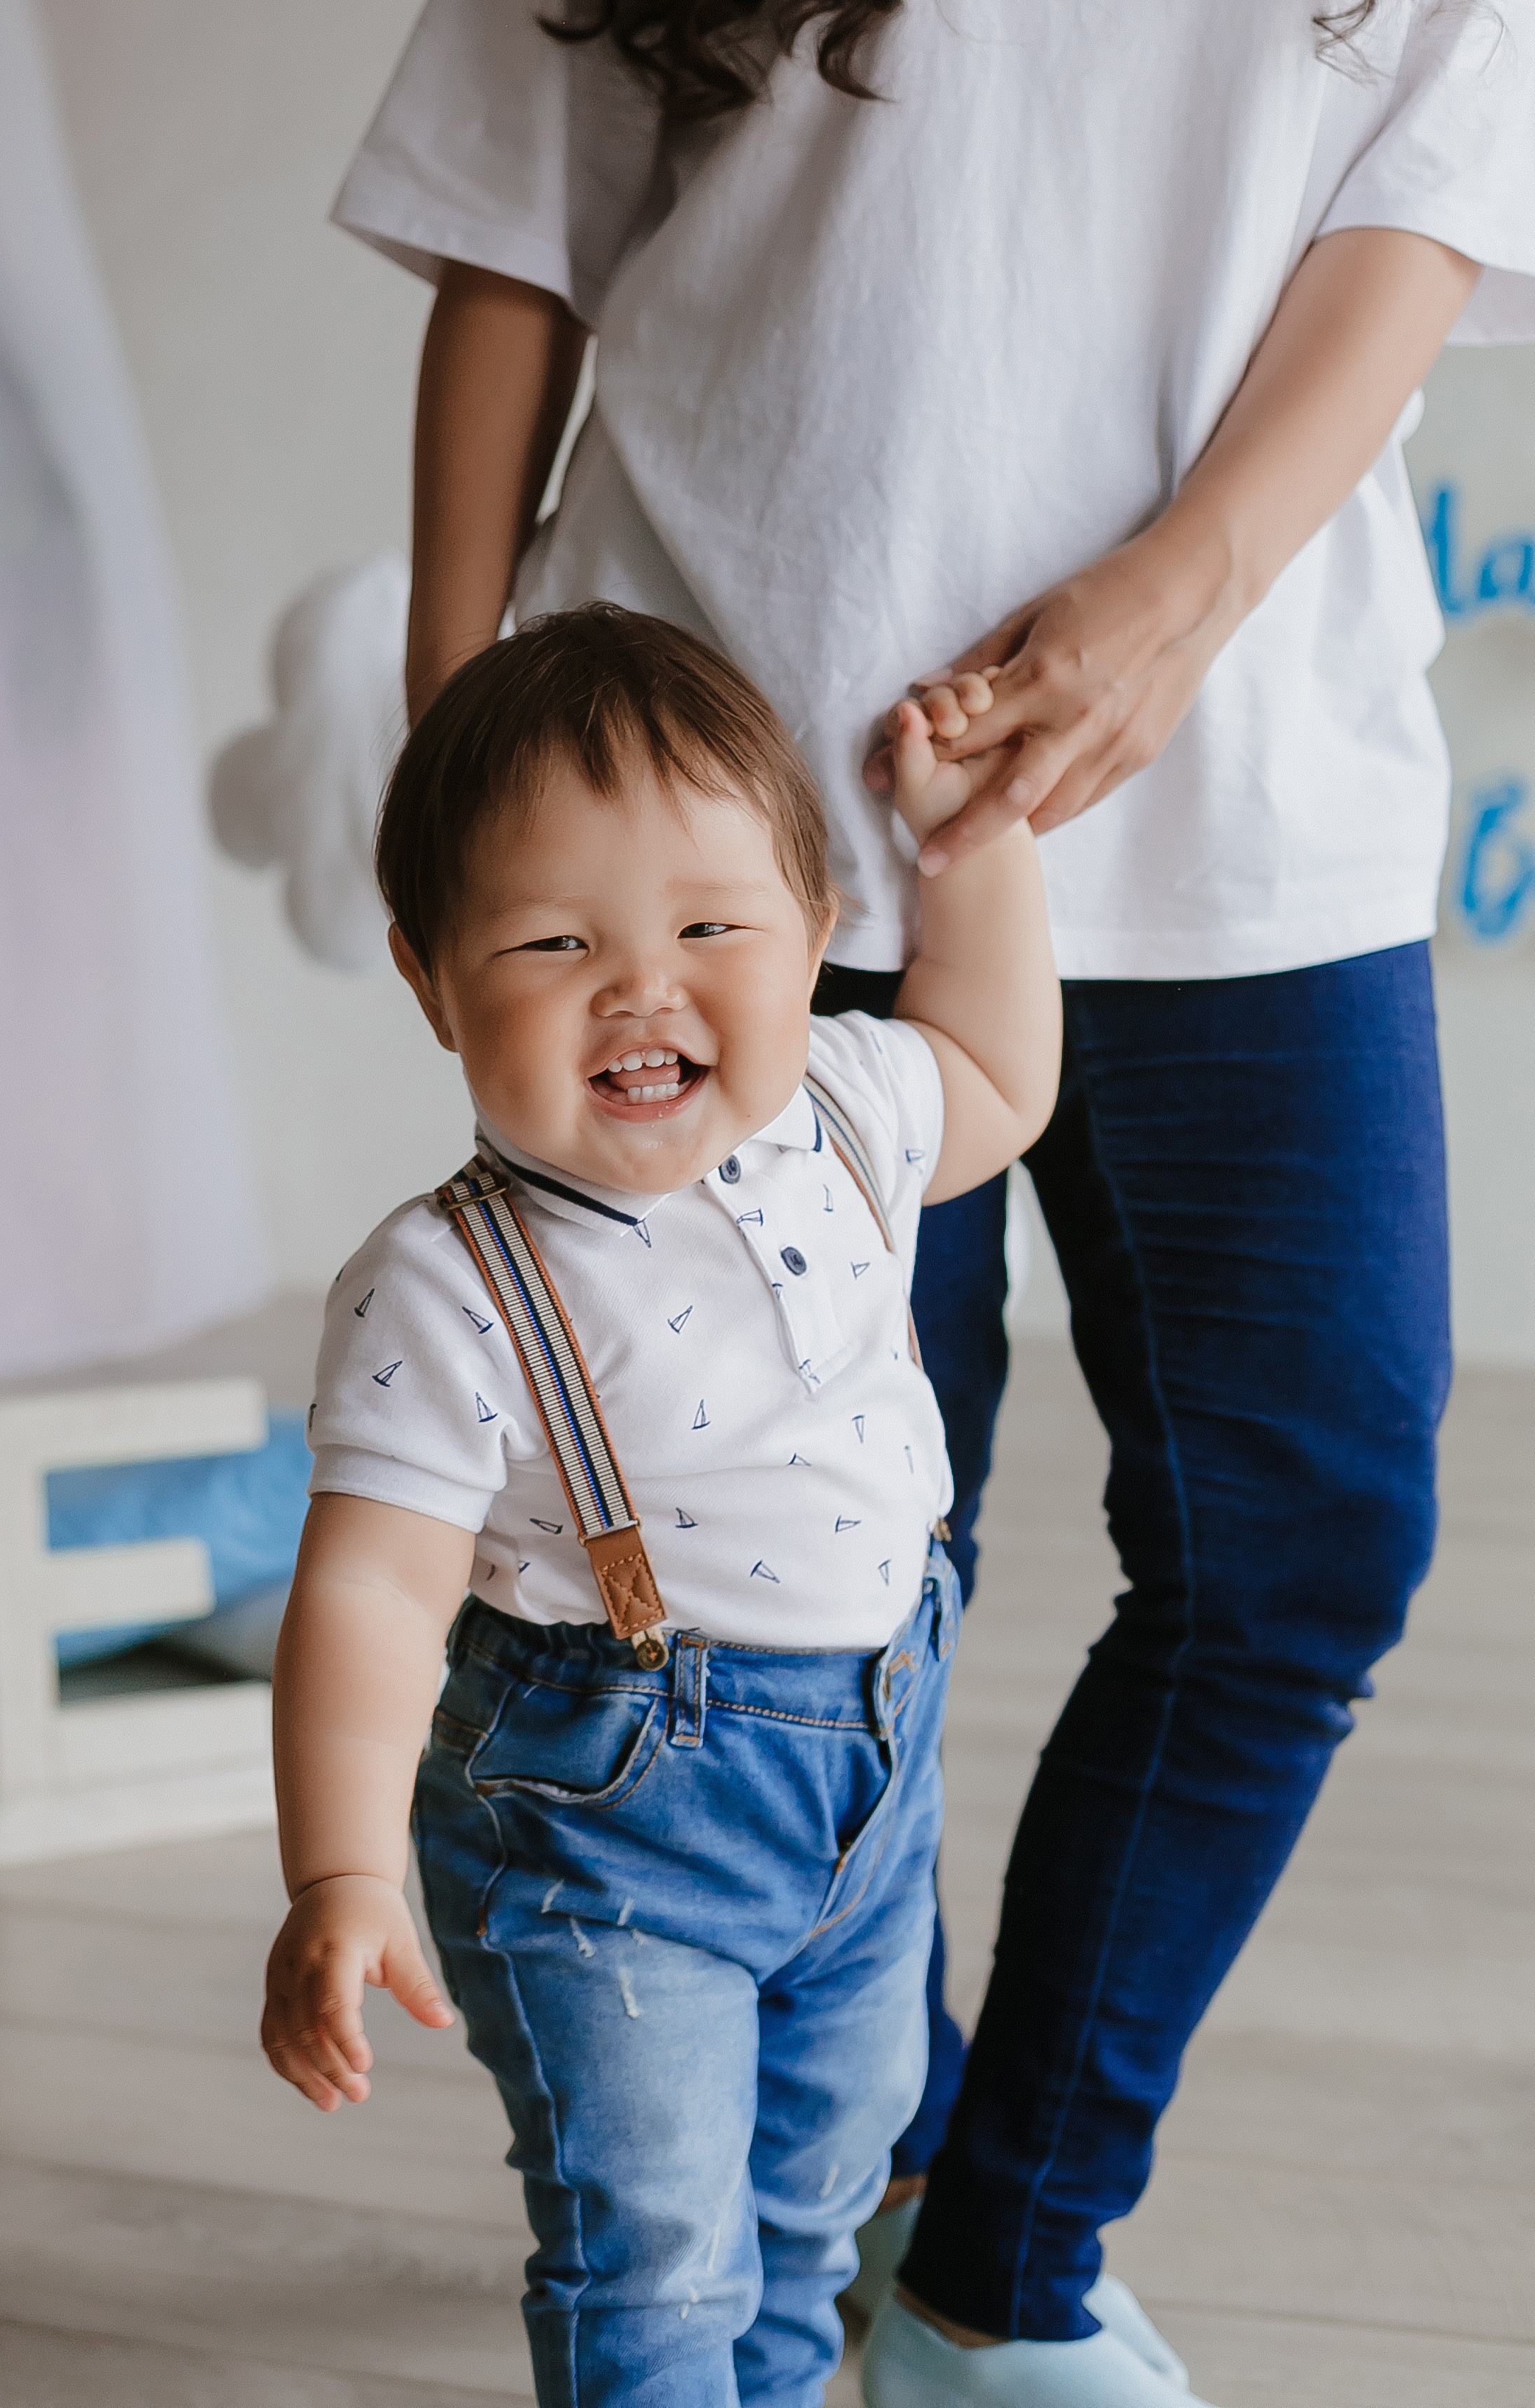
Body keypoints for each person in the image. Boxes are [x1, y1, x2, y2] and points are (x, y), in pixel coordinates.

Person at [330, 6, 1535, 2398]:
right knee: (806, 1574)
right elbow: (514, 230)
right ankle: (845, 2204)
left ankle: (995, 2264)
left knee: (1298, 1550)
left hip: (1257, 770)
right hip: (717, 793)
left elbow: (1436, 168)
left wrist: (1186, 586)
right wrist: (456, 751)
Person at [260, 604, 1063, 2407]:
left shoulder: (843, 1106)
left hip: (872, 1779)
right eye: (555, 941)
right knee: (658, 2252)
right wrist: (340, 1868)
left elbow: (1002, 1072)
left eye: (710, 928)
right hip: (608, 1834)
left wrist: (981, 841)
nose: (642, 988)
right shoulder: (445, 1284)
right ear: (430, 977)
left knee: (814, 2196)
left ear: (815, 933)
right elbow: (372, 1594)